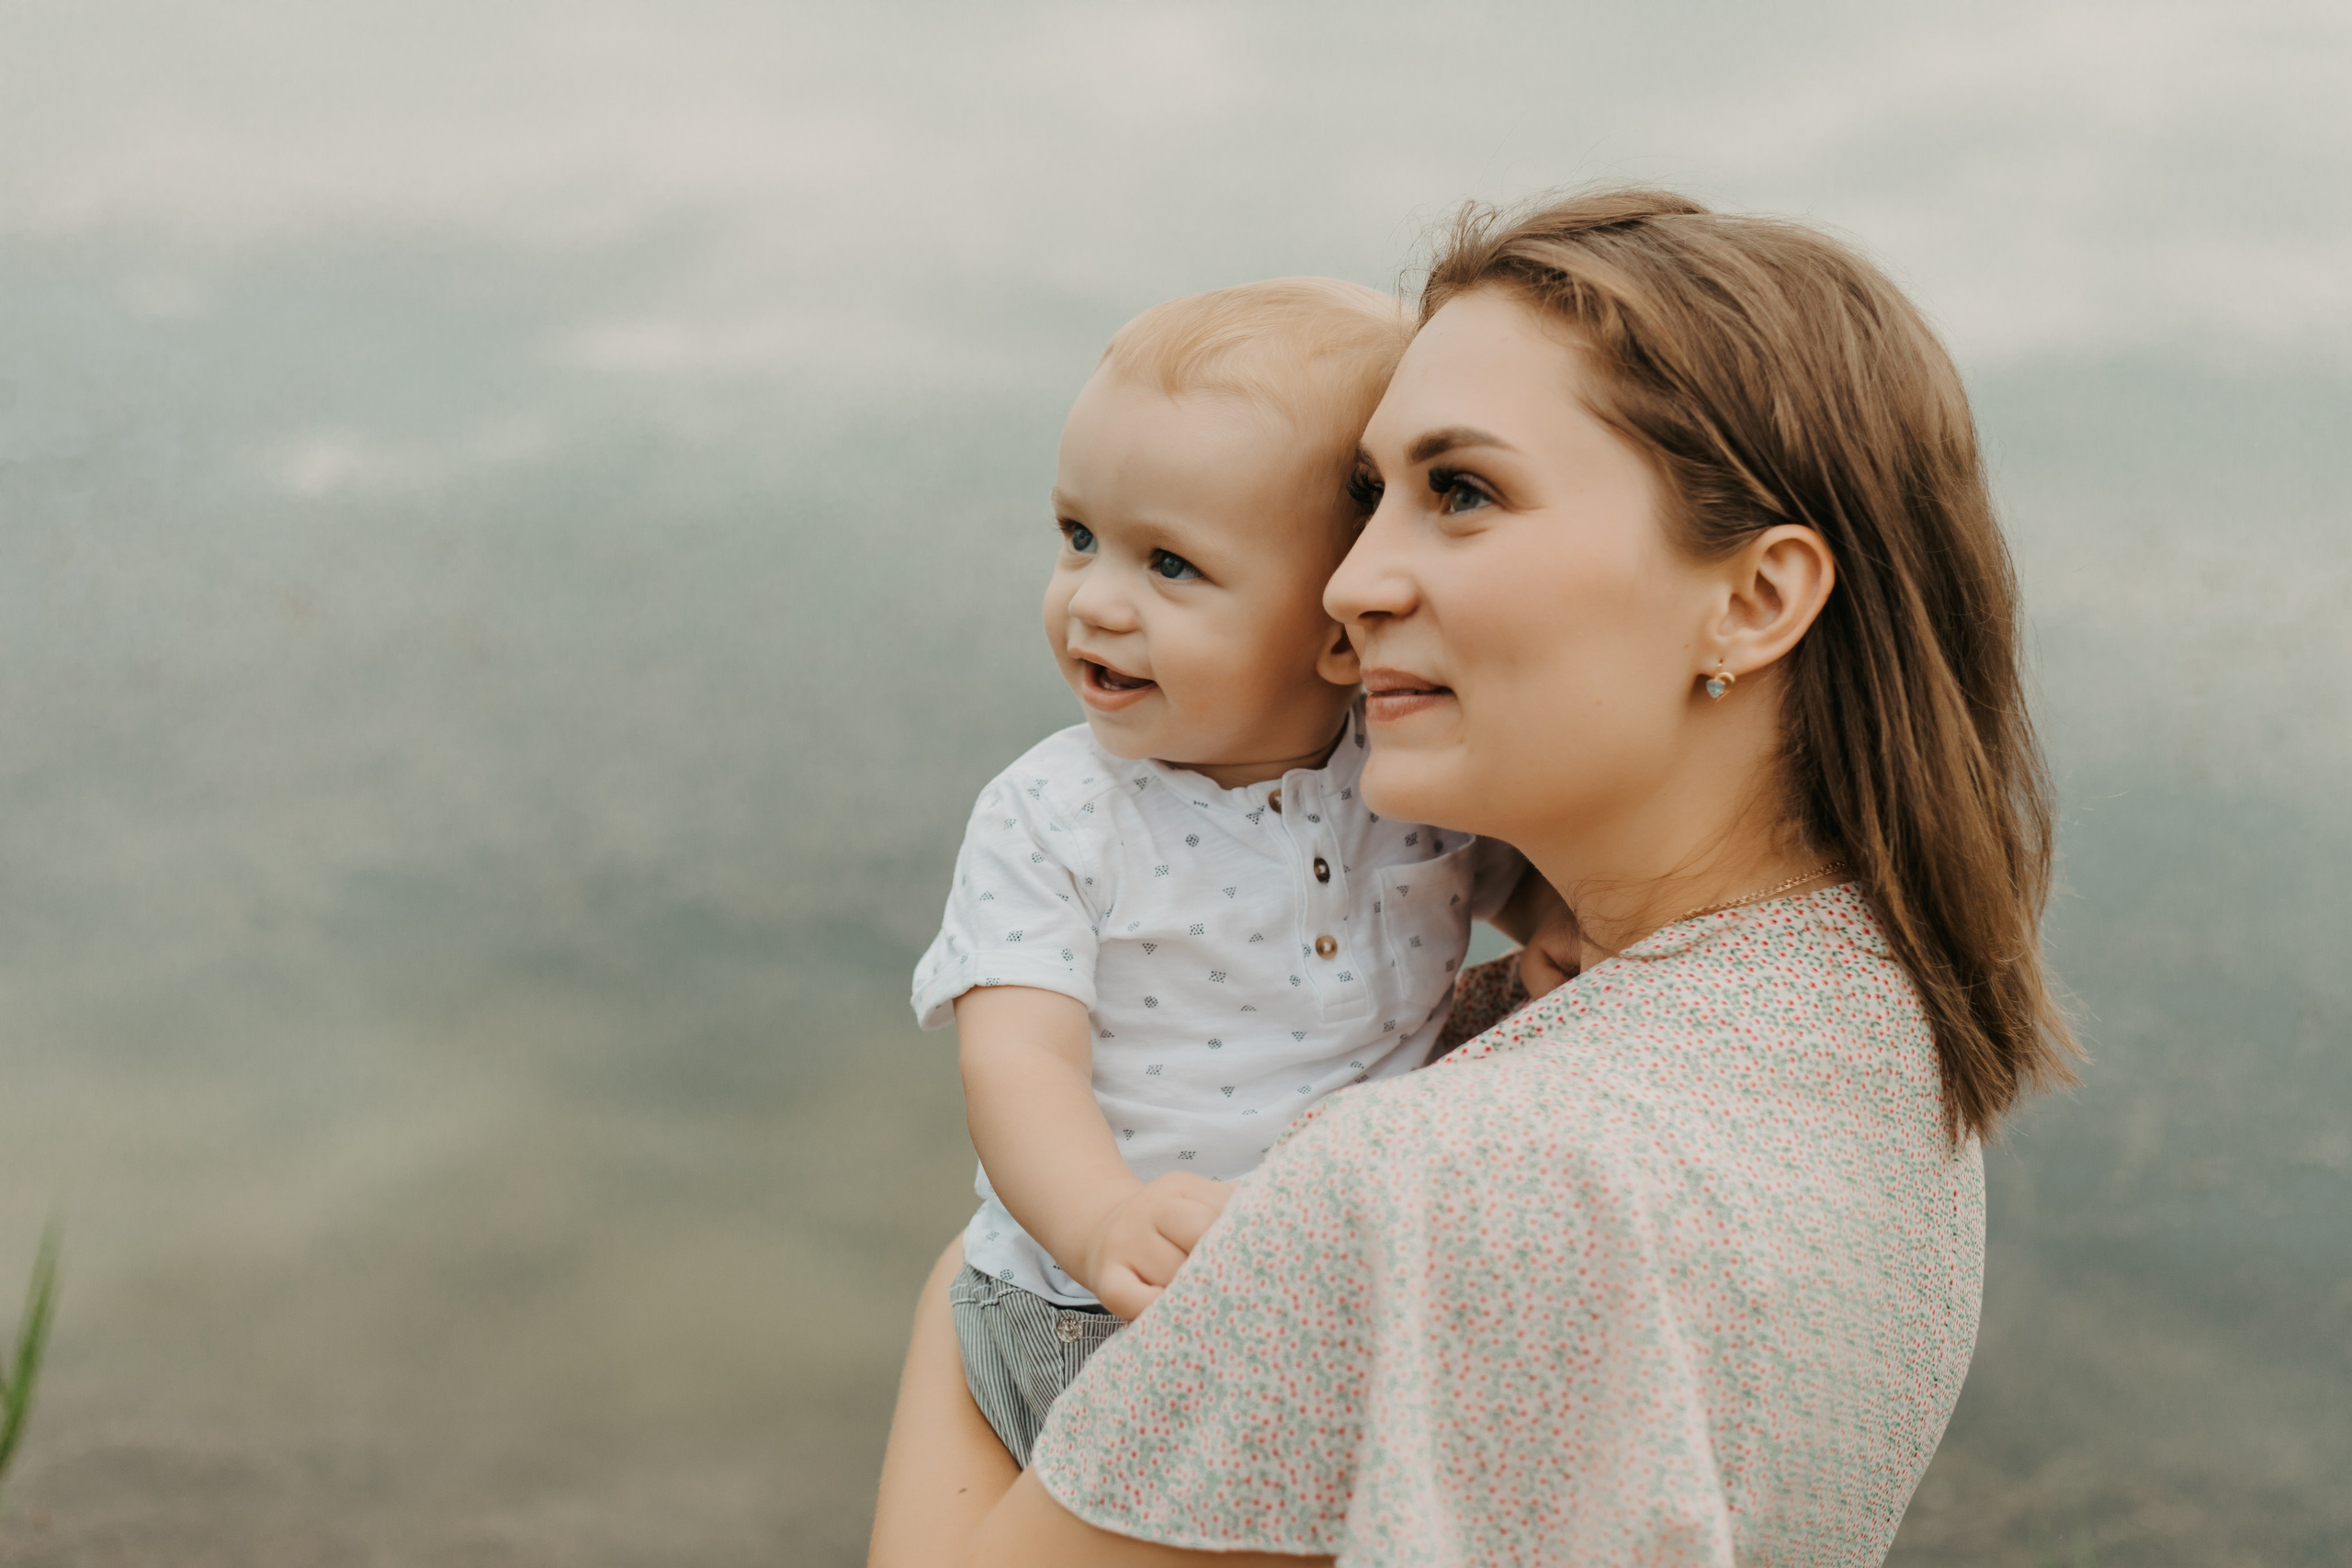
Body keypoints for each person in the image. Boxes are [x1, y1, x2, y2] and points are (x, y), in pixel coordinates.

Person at [869, 186, 2076, 1567]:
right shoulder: (1876, 1010)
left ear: (1755, 598)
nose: (1348, 585)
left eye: (1462, 491)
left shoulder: (1455, 1180)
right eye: (1366, 499)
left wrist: (963, 1285)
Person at [905, 278, 1563, 1474]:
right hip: (1093, 1307)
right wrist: (1102, 1218)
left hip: (1310, 1280)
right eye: (1077, 537)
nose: (1093, 602)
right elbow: (1017, 1061)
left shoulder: (1402, 773)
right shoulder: (1057, 817)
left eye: (1170, 566)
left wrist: (1552, 925)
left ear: (1338, 632)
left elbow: (1494, 866)